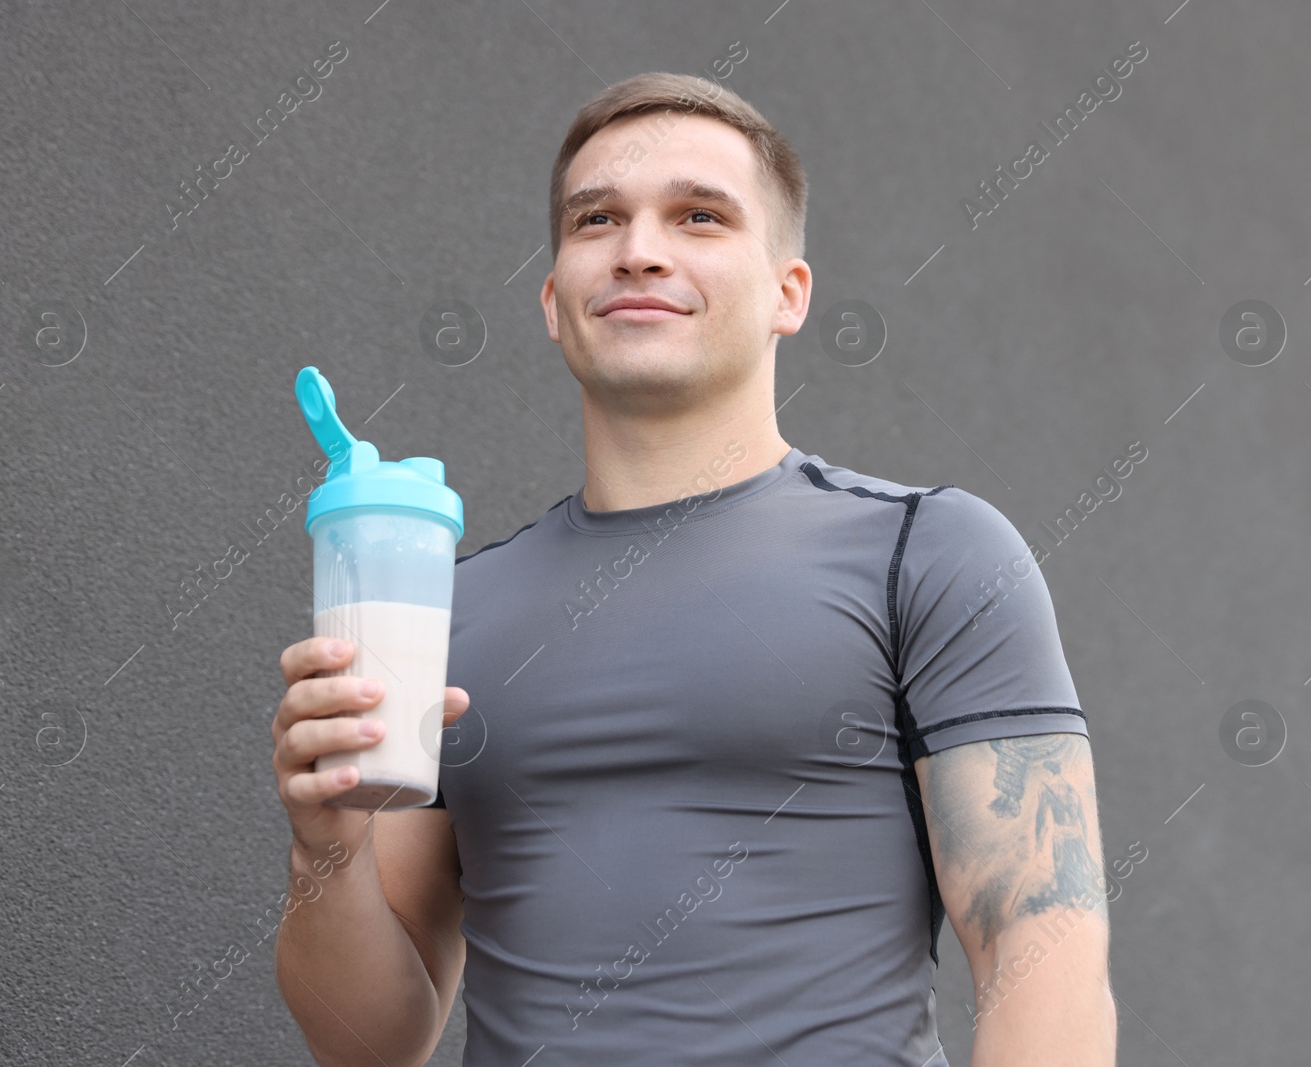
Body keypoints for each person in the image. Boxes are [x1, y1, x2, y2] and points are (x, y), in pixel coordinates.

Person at [271, 71, 1117, 1066]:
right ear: (553, 301)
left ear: (787, 293)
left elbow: (1042, 946)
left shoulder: (930, 552)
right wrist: (326, 844)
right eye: (597, 220)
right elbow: (372, 1045)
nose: (638, 249)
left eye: (698, 216)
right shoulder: (456, 613)